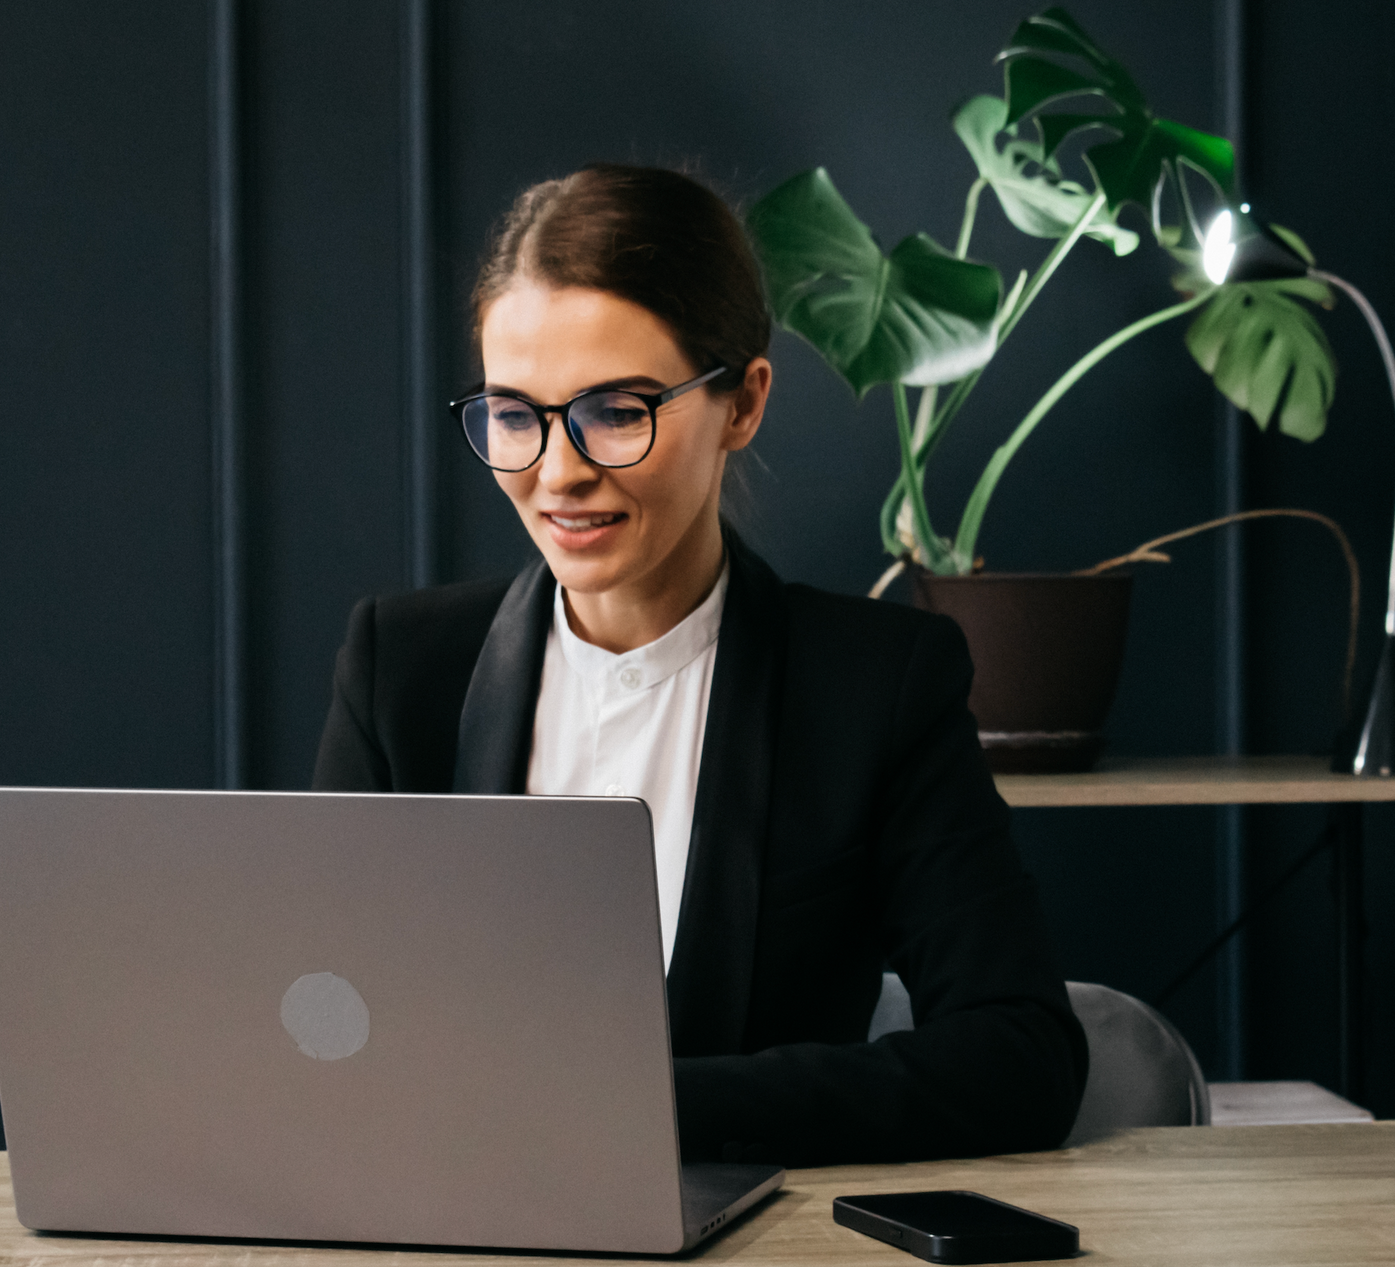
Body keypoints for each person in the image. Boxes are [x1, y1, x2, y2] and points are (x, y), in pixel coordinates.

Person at [312, 163, 1087, 1166]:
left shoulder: (874, 685)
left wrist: (646, 1108)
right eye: (515, 415)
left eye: (616, 409)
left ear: (743, 403)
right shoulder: (400, 669)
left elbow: (1020, 1057)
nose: (559, 471)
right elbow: (318, 1024)